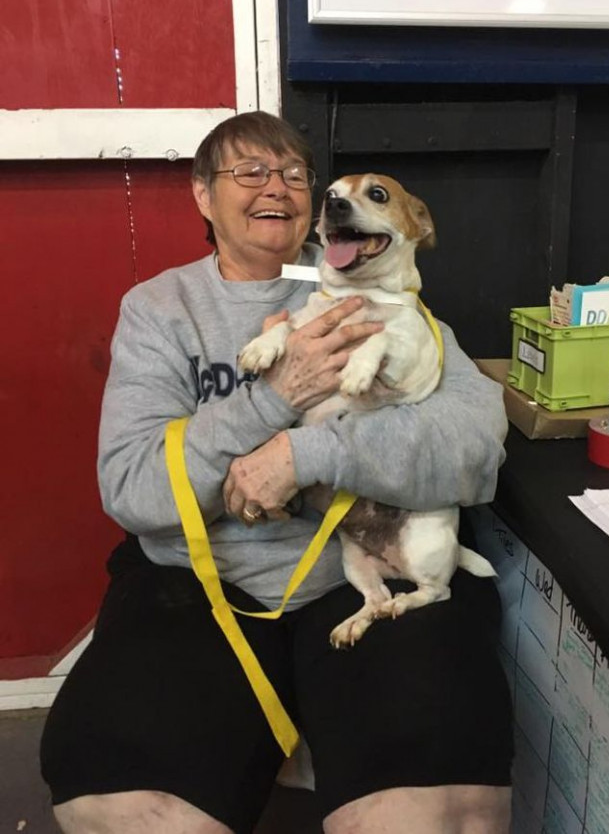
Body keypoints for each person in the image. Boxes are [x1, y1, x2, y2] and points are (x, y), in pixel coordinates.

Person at [40, 111, 514, 834]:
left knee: (440, 806)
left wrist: (302, 455)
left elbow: (479, 438)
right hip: (198, 585)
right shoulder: (160, 310)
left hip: (353, 571)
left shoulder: (374, 285)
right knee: (122, 802)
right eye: (250, 171)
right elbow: (134, 488)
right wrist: (273, 400)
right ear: (203, 195)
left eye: (295, 174)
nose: (280, 189)